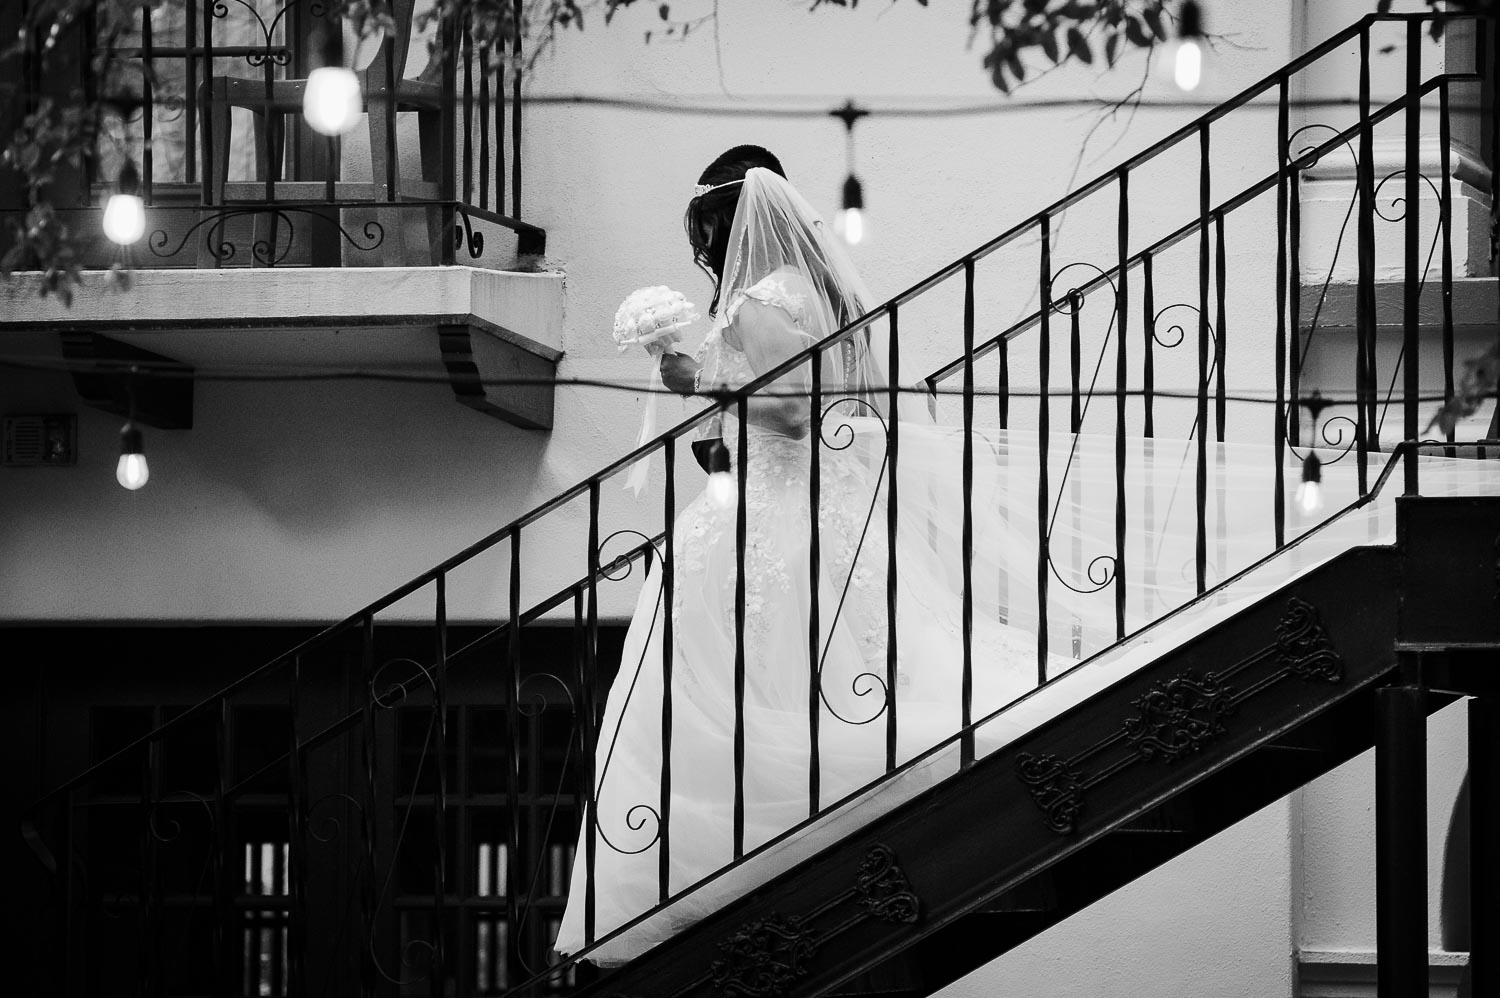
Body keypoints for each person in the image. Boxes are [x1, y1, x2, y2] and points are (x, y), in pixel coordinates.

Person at [554, 147, 1054, 964]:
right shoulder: (810, 294)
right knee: (805, 677)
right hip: (807, 505)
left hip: (776, 517)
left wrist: (694, 383)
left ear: (729, 223)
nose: (702, 254)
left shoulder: (759, 299)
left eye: (704, 235)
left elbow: (787, 413)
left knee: (733, 685)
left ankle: (750, 862)